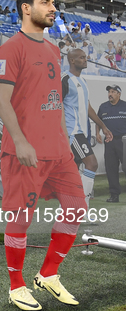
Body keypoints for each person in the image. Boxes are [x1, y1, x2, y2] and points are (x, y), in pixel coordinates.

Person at [0, 0, 87, 311]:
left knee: (76, 206)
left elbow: (55, 103)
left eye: (54, 3)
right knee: (21, 218)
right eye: (46, 2)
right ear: (26, 8)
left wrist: (67, 145)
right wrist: (19, 140)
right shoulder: (11, 48)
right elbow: (2, 100)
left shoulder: (52, 50)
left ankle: (48, 274)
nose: (53, 8)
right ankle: (16, 285)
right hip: (25, 151)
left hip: (58, 151)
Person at [62, 48, 113, 210]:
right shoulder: (64, 79)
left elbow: (88, 107)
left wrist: (104, 127)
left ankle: (71, 210)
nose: (86, 60)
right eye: (82, 57)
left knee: (74, 174)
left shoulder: (83, 81)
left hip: (82, 132)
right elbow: (56, 107)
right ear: (72, 60)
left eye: (85, 57)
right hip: (72, 133)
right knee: (92, 164)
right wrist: (62, 132)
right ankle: (82, 208)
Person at [96, 85, 126, 203]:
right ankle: (114, 195)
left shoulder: (125, 105)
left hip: (123, 140)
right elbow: (98, 121)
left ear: (119, 94)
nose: (110, 94)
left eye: (113, 92)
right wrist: (97, 133)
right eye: (109, 91)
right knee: (111, 168)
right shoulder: (103, 107)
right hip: (109, 141)